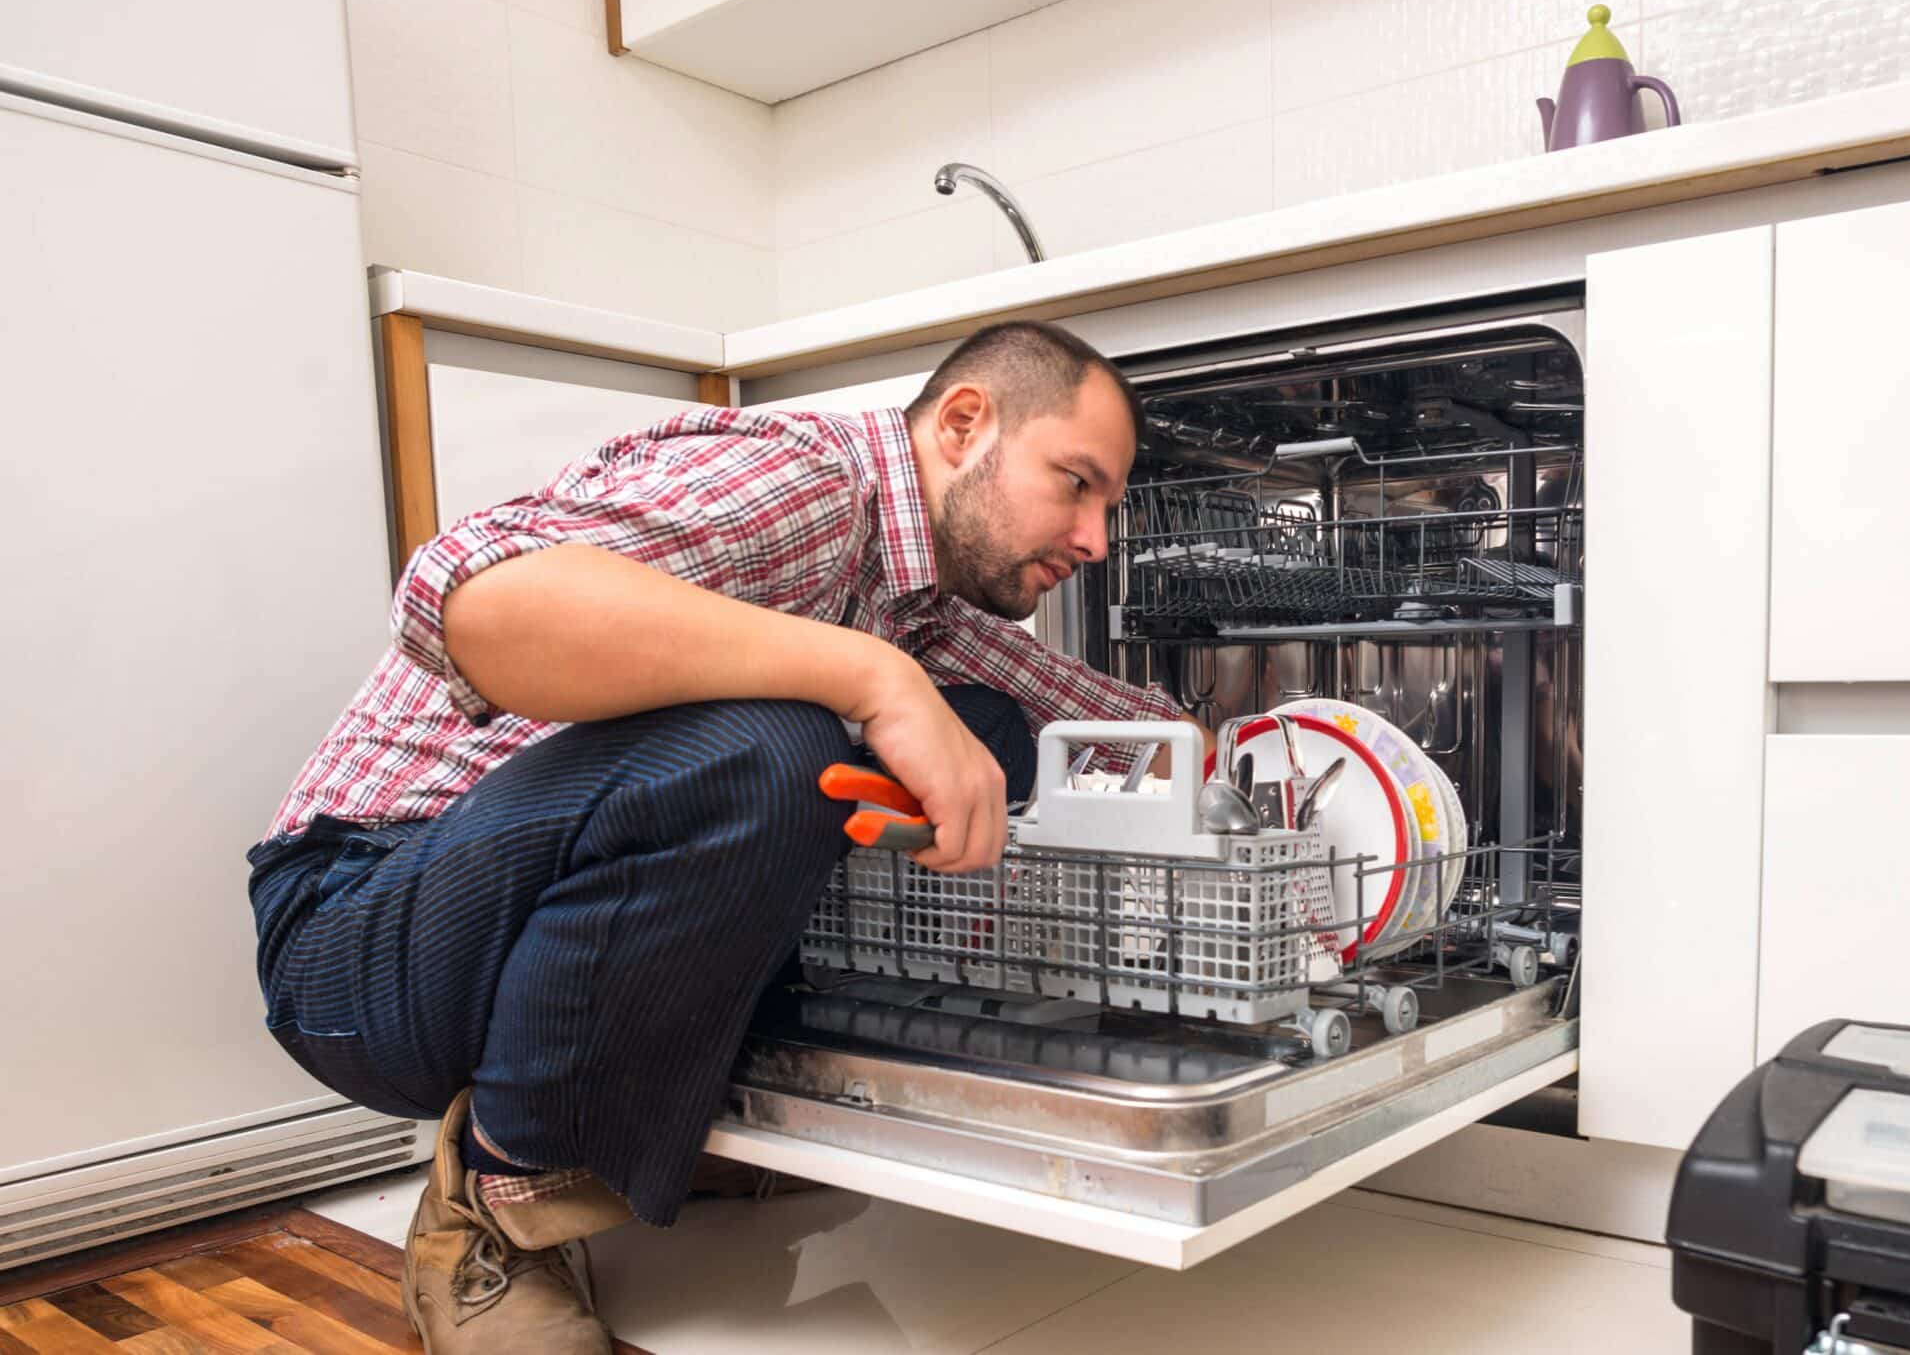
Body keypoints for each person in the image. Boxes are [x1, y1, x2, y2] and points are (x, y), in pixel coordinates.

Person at [244, 320, 1212, 1352]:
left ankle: (677, 1102)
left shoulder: (918, 597)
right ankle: (496, 1205)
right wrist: (871, 676)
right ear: (966, 423)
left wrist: (1250, 762)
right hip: (361, 937)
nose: (1097, 538)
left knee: (986, 736)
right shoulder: (802, 481)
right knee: (776, 743)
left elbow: (1113, 728)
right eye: (1076, 483)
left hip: (497, 920)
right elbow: (475, 598)